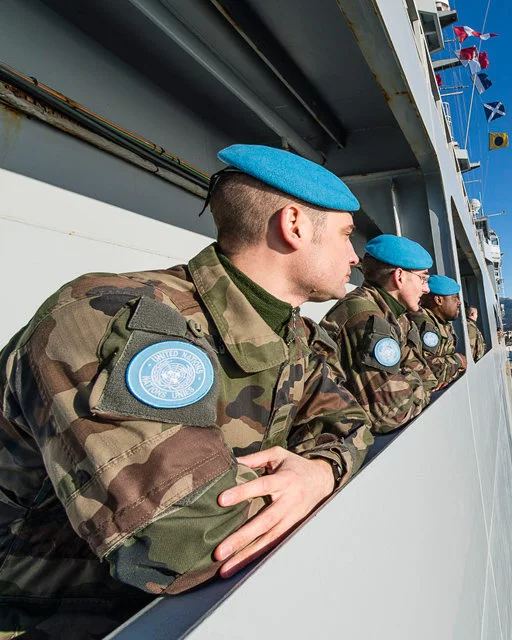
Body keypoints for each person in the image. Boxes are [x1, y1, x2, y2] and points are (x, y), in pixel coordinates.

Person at [0, 144, 374, 639]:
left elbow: (349, 421)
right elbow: (182, 539)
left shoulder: (292, 334)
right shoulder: (108, 314)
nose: (355, 256)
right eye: (348, 235)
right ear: (295, 225)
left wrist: (318, 473)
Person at [320, 234, 437, 433]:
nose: (426, 289)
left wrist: (410, 381)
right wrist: (416, 383)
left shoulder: (395, 315)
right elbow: (392, 413)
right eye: (423, 278)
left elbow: (429, 377)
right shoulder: (366, 317)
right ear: (399, 277)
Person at [410, 275, 466, 390]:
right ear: (439, 300)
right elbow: (428, 368)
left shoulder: (440, 322)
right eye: (455, 297)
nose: (459, 302)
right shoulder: (424, 324)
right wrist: (459, 361)